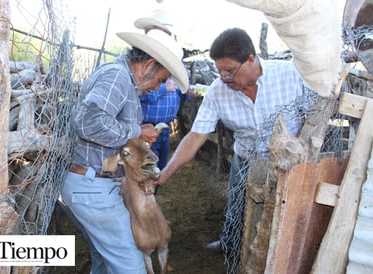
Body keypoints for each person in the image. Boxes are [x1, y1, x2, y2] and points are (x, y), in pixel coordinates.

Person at [155, 27, 313, 263]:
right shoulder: (218, 92)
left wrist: (298, 145)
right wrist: (166, 172)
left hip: (290, 161)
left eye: (229, 70)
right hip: (246, 158)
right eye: (219, 71)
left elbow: (314, 115)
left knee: (286, 207)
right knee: (237, 206)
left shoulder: (290, 75)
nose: (224, 77)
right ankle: (230, 242)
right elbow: (196, 136)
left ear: (251, 59)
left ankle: (280, 251)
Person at [60, 29, 188, 273]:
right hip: (92, 187)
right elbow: (89, 122)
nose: (157, 87)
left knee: (105, 257)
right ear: (149, 64)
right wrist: (136, 132)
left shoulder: (123, 79)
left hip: (91, 184)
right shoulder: (117, 77)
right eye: (160, 79)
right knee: (132, 261)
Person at [134, 11, 196, 192]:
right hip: (145, 127)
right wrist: (162, 89)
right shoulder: (140, 67)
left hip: (164, 128)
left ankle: (152, 201)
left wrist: (187, 93)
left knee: (158, 168)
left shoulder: (175, 62)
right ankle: (140, 204)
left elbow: (180, 91)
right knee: (141, 166)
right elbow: (138, 95)